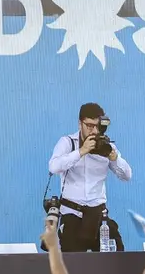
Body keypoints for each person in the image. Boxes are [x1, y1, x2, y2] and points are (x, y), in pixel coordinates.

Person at [48, 103, 132, 252]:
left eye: (97, 126)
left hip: (99, 215)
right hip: (72, 214)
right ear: (80, 123)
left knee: (117, 255)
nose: (93, 130)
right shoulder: (68, 142)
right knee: (73, 266)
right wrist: (81, 151)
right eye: (89, 126)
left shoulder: (106, 145)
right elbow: (53, 167)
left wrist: (114, 158)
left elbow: (127, 176)